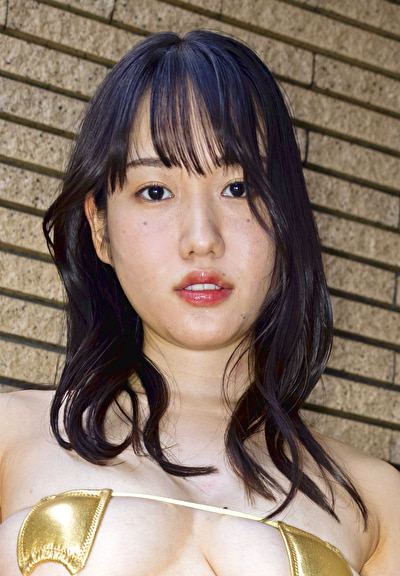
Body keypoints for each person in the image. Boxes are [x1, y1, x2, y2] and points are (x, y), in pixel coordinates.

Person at [0, 30, 399, 576]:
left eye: (239, 188)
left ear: (286, 218)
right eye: (155, 191)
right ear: (99, 229)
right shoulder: (10, 435)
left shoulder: (377, 500)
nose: (202, 238)